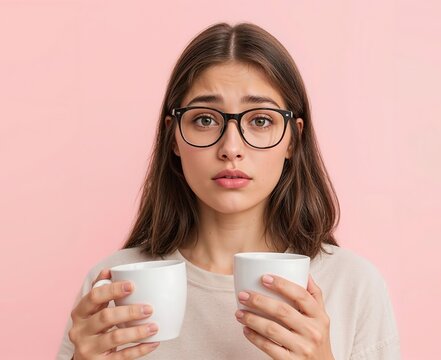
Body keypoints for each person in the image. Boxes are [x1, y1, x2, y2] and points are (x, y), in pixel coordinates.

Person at [56, 22, 400, 360]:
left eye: (260, 120)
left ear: (293, 139)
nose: (231, 148)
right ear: (173, 136)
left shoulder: (352, 285)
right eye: (205, 120)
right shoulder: (113, 285)